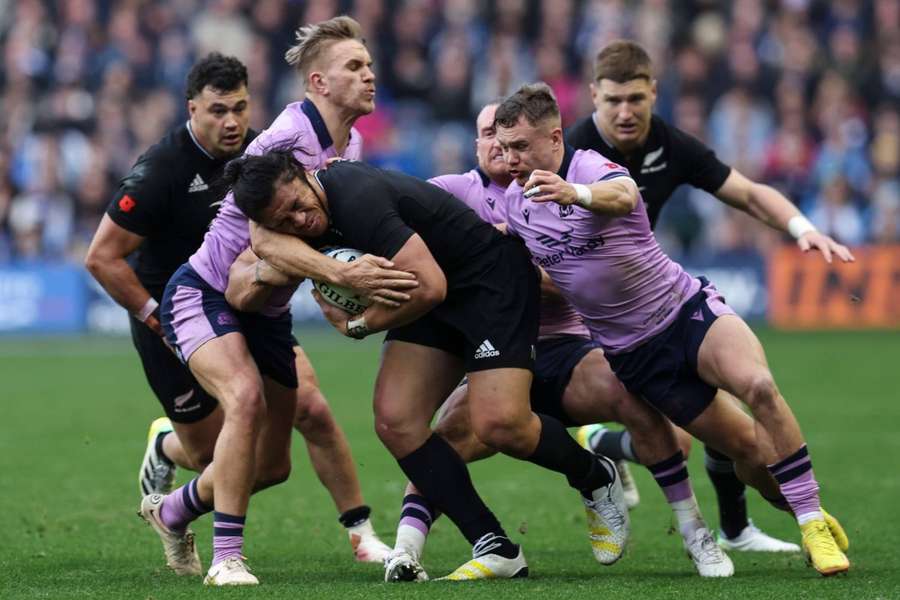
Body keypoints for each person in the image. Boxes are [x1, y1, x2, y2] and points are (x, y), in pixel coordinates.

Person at [495, 82, 850, 577]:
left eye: (521, 147)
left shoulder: (591, 167)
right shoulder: (515, 204)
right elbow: (552, 276)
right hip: (636, 355)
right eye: (504, 147)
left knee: (760, 386)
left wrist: (573, 193)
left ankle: (812, 522)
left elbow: (620, 196)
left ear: (555, 138)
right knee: (747, 450)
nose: (510, 158)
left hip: (686, 313)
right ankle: (802, 511)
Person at [223, 150, 630, 582]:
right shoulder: (277, 224)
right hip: (429, 294)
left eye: (299, 206)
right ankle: (493, 544)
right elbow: (238, 288)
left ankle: (594, 474)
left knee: (500, 425)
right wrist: (272, 267)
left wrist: (361, 324)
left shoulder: (356, 197)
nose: (300, 222)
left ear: (307, 175)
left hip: (488, 281)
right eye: (284, 221)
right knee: (395, 421)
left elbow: (431, 287)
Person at [382, 101, 734, 580]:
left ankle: (697, 534)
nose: (502, 150)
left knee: (651, 415)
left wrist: (512, 268)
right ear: (477, 144)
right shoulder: (450, 194)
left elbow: (571, 265)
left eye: (510, 141)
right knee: (441, 440)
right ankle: (405, 549)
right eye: (490, 137)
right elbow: (394, 223)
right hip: (494, 358)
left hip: (563, 344)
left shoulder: (558, 184)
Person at [135, 18, 416, 586]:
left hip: (266, 309)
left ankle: (173, 510)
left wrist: (340, 288)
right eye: (354, 67)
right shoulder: (289, 137)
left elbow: (315, 240)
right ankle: (228, 559)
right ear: (319, 82)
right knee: (243, 399)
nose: (369, 75)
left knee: (274, 464)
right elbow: (263, 238)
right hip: (205, 292)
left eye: (368, 64)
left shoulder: (349, 144)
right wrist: (348, 277)